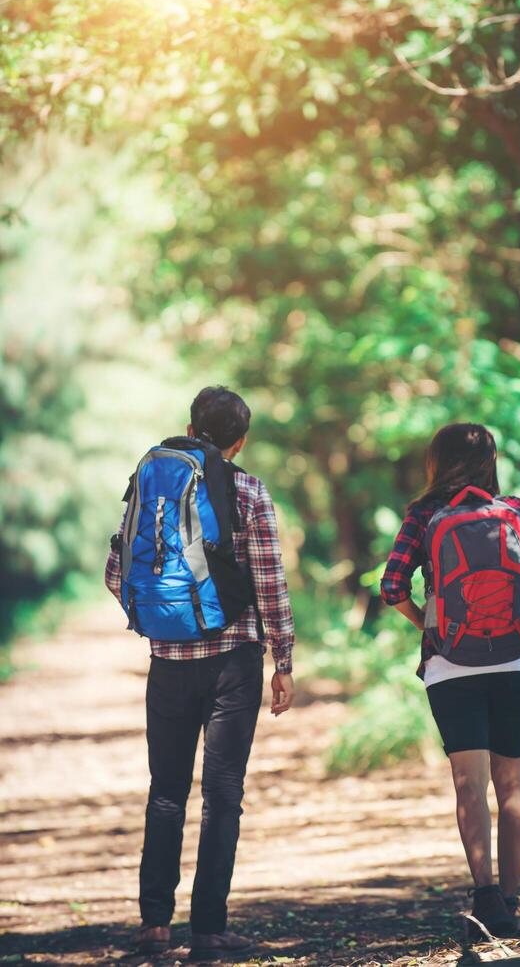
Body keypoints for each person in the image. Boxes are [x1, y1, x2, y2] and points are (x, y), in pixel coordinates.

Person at [105, 385, 295, 960]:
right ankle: (208, 929)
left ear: (191, 425)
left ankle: (153, 925)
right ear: (239, 440)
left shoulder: (150, 480)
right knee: (222, 795)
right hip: (232, 664)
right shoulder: (248, 491)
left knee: (165, 792)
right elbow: (269, 583)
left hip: (167, 664)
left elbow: (118, 571)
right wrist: (283, 657)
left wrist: (160, 620)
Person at [380, 422, 520, 939]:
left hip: (451, 665)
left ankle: (486, 897)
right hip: (518, 660)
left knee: (468, 783)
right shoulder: (516, 511)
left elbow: (392, 586)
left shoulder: (424, 516)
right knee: (511, 782)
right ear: (491, 461)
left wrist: (430, 623)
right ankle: (512, 903)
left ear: (435, 462)